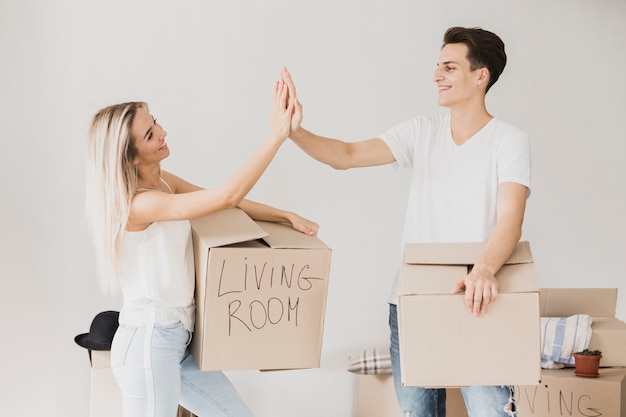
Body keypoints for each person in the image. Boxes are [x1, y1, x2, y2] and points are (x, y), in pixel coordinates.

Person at [282, 26, 530, 416]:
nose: (436, 76)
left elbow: (511, 219)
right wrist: (294, 132)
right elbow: (345, 155)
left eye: (449, 67)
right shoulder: (422, 131)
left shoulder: (508, 140)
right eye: (437, 66)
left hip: (478, 300)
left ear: (480, 76)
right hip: (411, 304)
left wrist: (483, 269)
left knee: (491, 411)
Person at [84, 77, 318, 417]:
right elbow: (227, 195)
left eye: (156, 123)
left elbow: (224, 203)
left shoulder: (165, 184)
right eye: (150, 135)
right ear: (131, 158)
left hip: (176, 342)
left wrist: (285, 216)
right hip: (149, 345)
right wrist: (277, 135)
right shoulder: (138, 205)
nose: (162, 132)